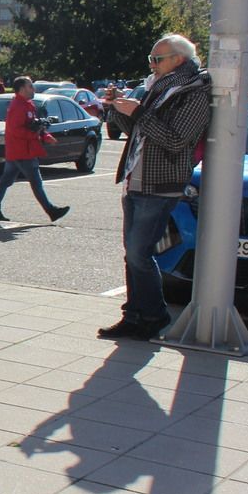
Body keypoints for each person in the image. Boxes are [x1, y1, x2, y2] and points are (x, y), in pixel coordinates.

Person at [98, 33, 211, 341]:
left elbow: (177, 140)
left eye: (157, 59)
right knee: (132, 254)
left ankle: (154, 315)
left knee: (139, 253)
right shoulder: (159, 88)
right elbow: (137, 131)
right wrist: (115, 110)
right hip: (137, 179)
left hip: (160, 184)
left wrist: (138, 112)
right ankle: (135, 315)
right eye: (150, 58)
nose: (151, 64)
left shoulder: (193, 92)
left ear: (180, 60)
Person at [0, 76, 70, 225]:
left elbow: (34, 125)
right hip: (22, 151)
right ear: (22, 89)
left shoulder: (28, 104)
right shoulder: (17, 106)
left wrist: (45, 135)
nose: (33, 89)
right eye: (30, 86)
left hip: (20, 150)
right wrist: (35, 134)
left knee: (6, 180)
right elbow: (15, 130)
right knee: (36, 182)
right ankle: (51, 210)